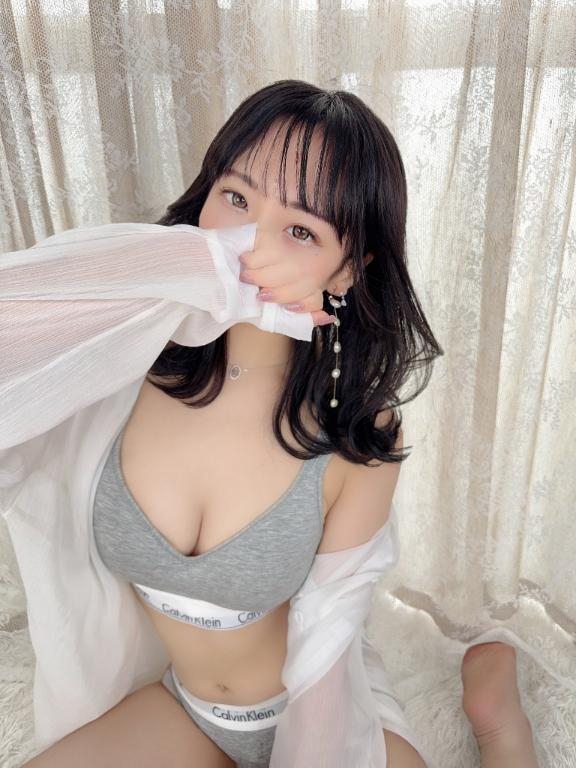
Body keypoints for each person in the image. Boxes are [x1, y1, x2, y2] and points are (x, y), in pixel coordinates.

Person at [0, 79, 539, 768]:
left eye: (301, 231)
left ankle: (500, 729)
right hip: (185, 710)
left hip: (316, 708)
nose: (252, 245)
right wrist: (175, 273)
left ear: (348, 270)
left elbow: (326, 637)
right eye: (236, 199)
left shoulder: (357, 430)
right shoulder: (119, 373)